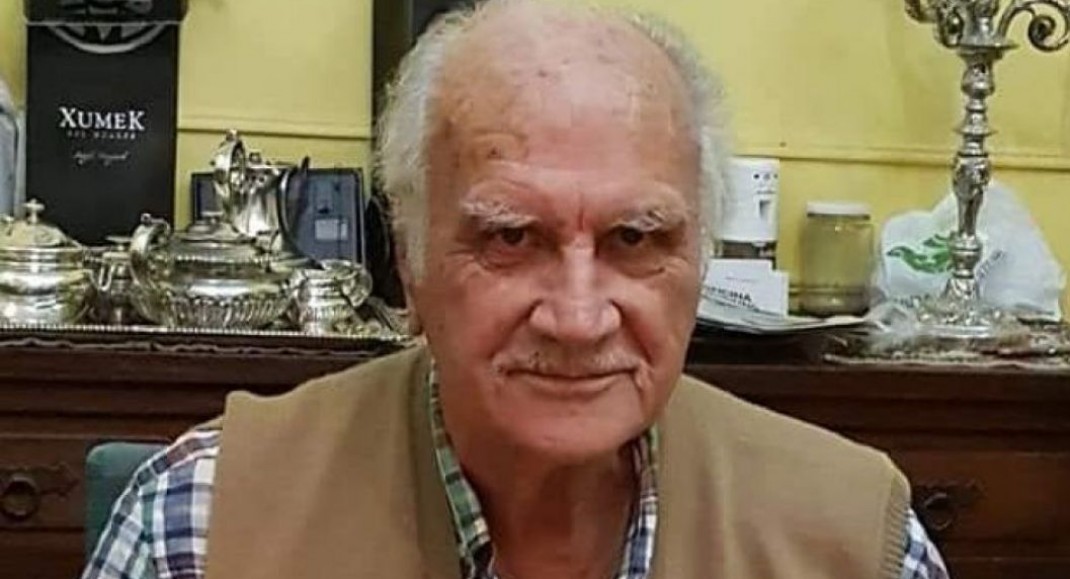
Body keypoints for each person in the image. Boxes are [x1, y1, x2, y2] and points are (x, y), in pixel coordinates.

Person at [83, 1, 950, 578]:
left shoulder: (852, 542)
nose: (578, 317)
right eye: (510, 237)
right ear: (411, 261)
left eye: (635, 238)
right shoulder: (201, 524)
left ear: (701, 259)